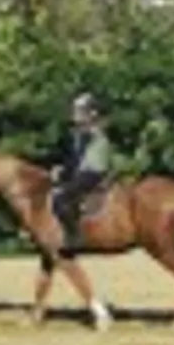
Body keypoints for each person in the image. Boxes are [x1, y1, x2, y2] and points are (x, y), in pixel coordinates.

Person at [50, 92, 113, 252]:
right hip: (88, 171)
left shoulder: (88, 132)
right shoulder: (84, 131)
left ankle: (75, 237)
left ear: (90, 113)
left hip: (92, 172)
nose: (75, 114)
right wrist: (63, 170)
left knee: (60, 197)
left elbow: (77, 159)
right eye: (76, 111)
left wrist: (62, 172)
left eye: (79, 111)